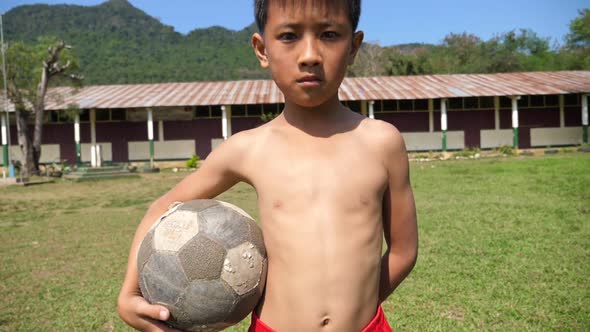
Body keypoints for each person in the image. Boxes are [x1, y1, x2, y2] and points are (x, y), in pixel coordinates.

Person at [117, 0, 418, 331]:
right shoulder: (249, 148)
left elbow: (403, 251)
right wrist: (129, 294)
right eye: (289, 36)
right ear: (262, 49)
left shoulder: (381, 142)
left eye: (329, 34)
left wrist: (359, 307)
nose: (309, 55)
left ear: (354, 46)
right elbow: (162, 208)